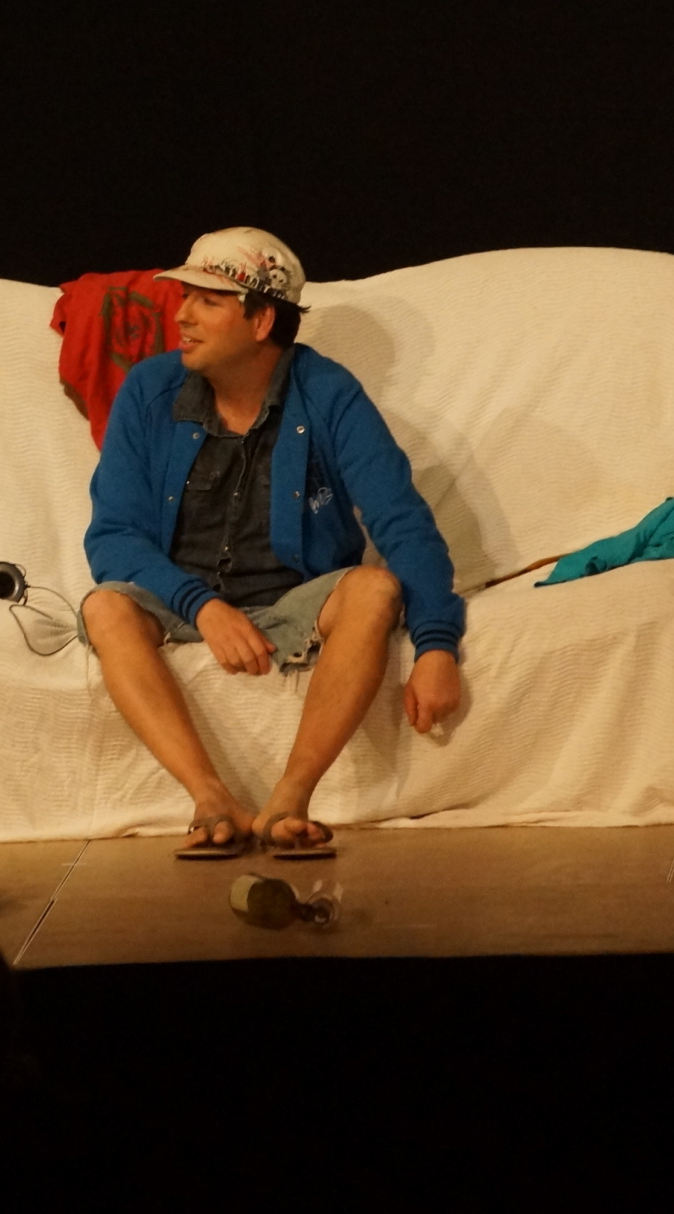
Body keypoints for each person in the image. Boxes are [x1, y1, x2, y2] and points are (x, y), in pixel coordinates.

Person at [81, 226, 463, 852]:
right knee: (104, 607)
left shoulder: (329, 393)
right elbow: (113, 537)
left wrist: (436, 645)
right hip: (179, 600)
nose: (182, 315)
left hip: (293, 600)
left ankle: (290, 800)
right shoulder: (149, 390)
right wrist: (203, 607)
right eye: (185, 297)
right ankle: (210, 798)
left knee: (373, 589)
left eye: (208, 301)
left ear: (261, 321)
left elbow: (404, 523)